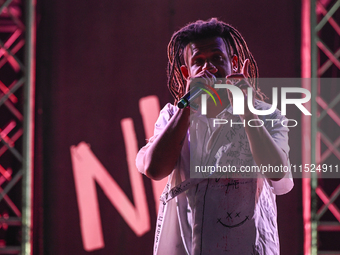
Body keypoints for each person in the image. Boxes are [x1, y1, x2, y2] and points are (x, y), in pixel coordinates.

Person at [136, 18, 293, 255]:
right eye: (198, 62)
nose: (208, 68)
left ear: (235, 64)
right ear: (187, 73)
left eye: (217, 58)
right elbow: (154, 169)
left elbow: (276, 170)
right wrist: (187, 106)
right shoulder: (173, 115)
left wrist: (246, 110)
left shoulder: (266, 115)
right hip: (189, 248)